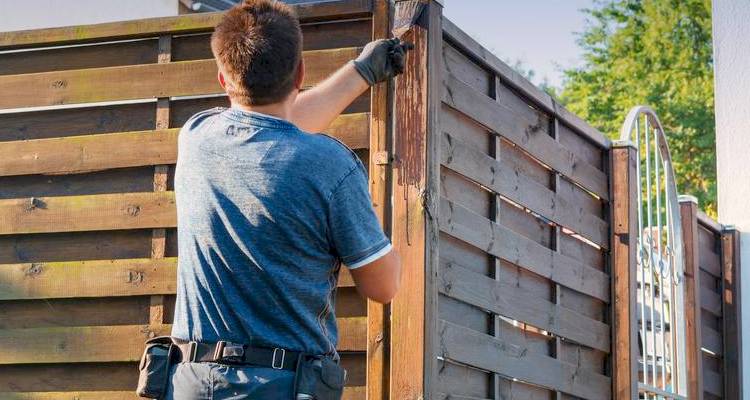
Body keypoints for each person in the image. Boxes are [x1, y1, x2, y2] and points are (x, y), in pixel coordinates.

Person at [165, 0, 407, 398]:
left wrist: (361, 73)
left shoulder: (196, 137)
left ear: (223, 80)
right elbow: (383, 286)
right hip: (285, 386)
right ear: (300, 73)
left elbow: (270, 128)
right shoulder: (330, 166)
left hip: (193, 382)